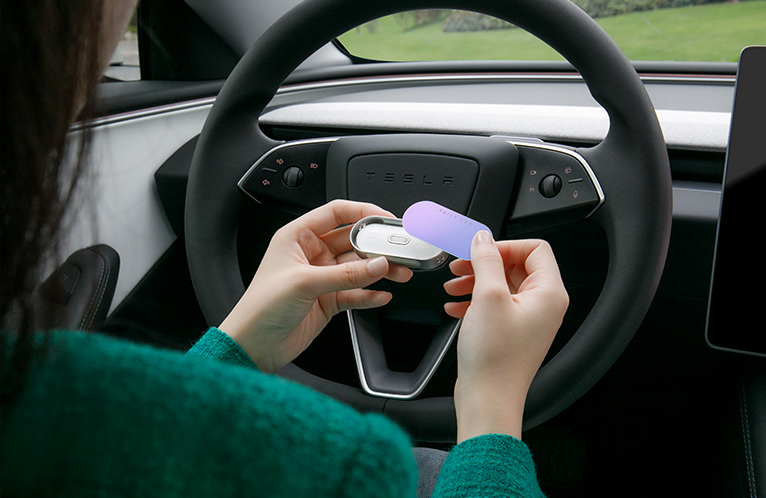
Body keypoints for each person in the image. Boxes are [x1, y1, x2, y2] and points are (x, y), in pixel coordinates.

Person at [0, 1, 569, 496]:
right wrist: (491, 408)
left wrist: (239, 341)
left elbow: (136, 457)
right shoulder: (344, 464)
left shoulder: (47, 413)